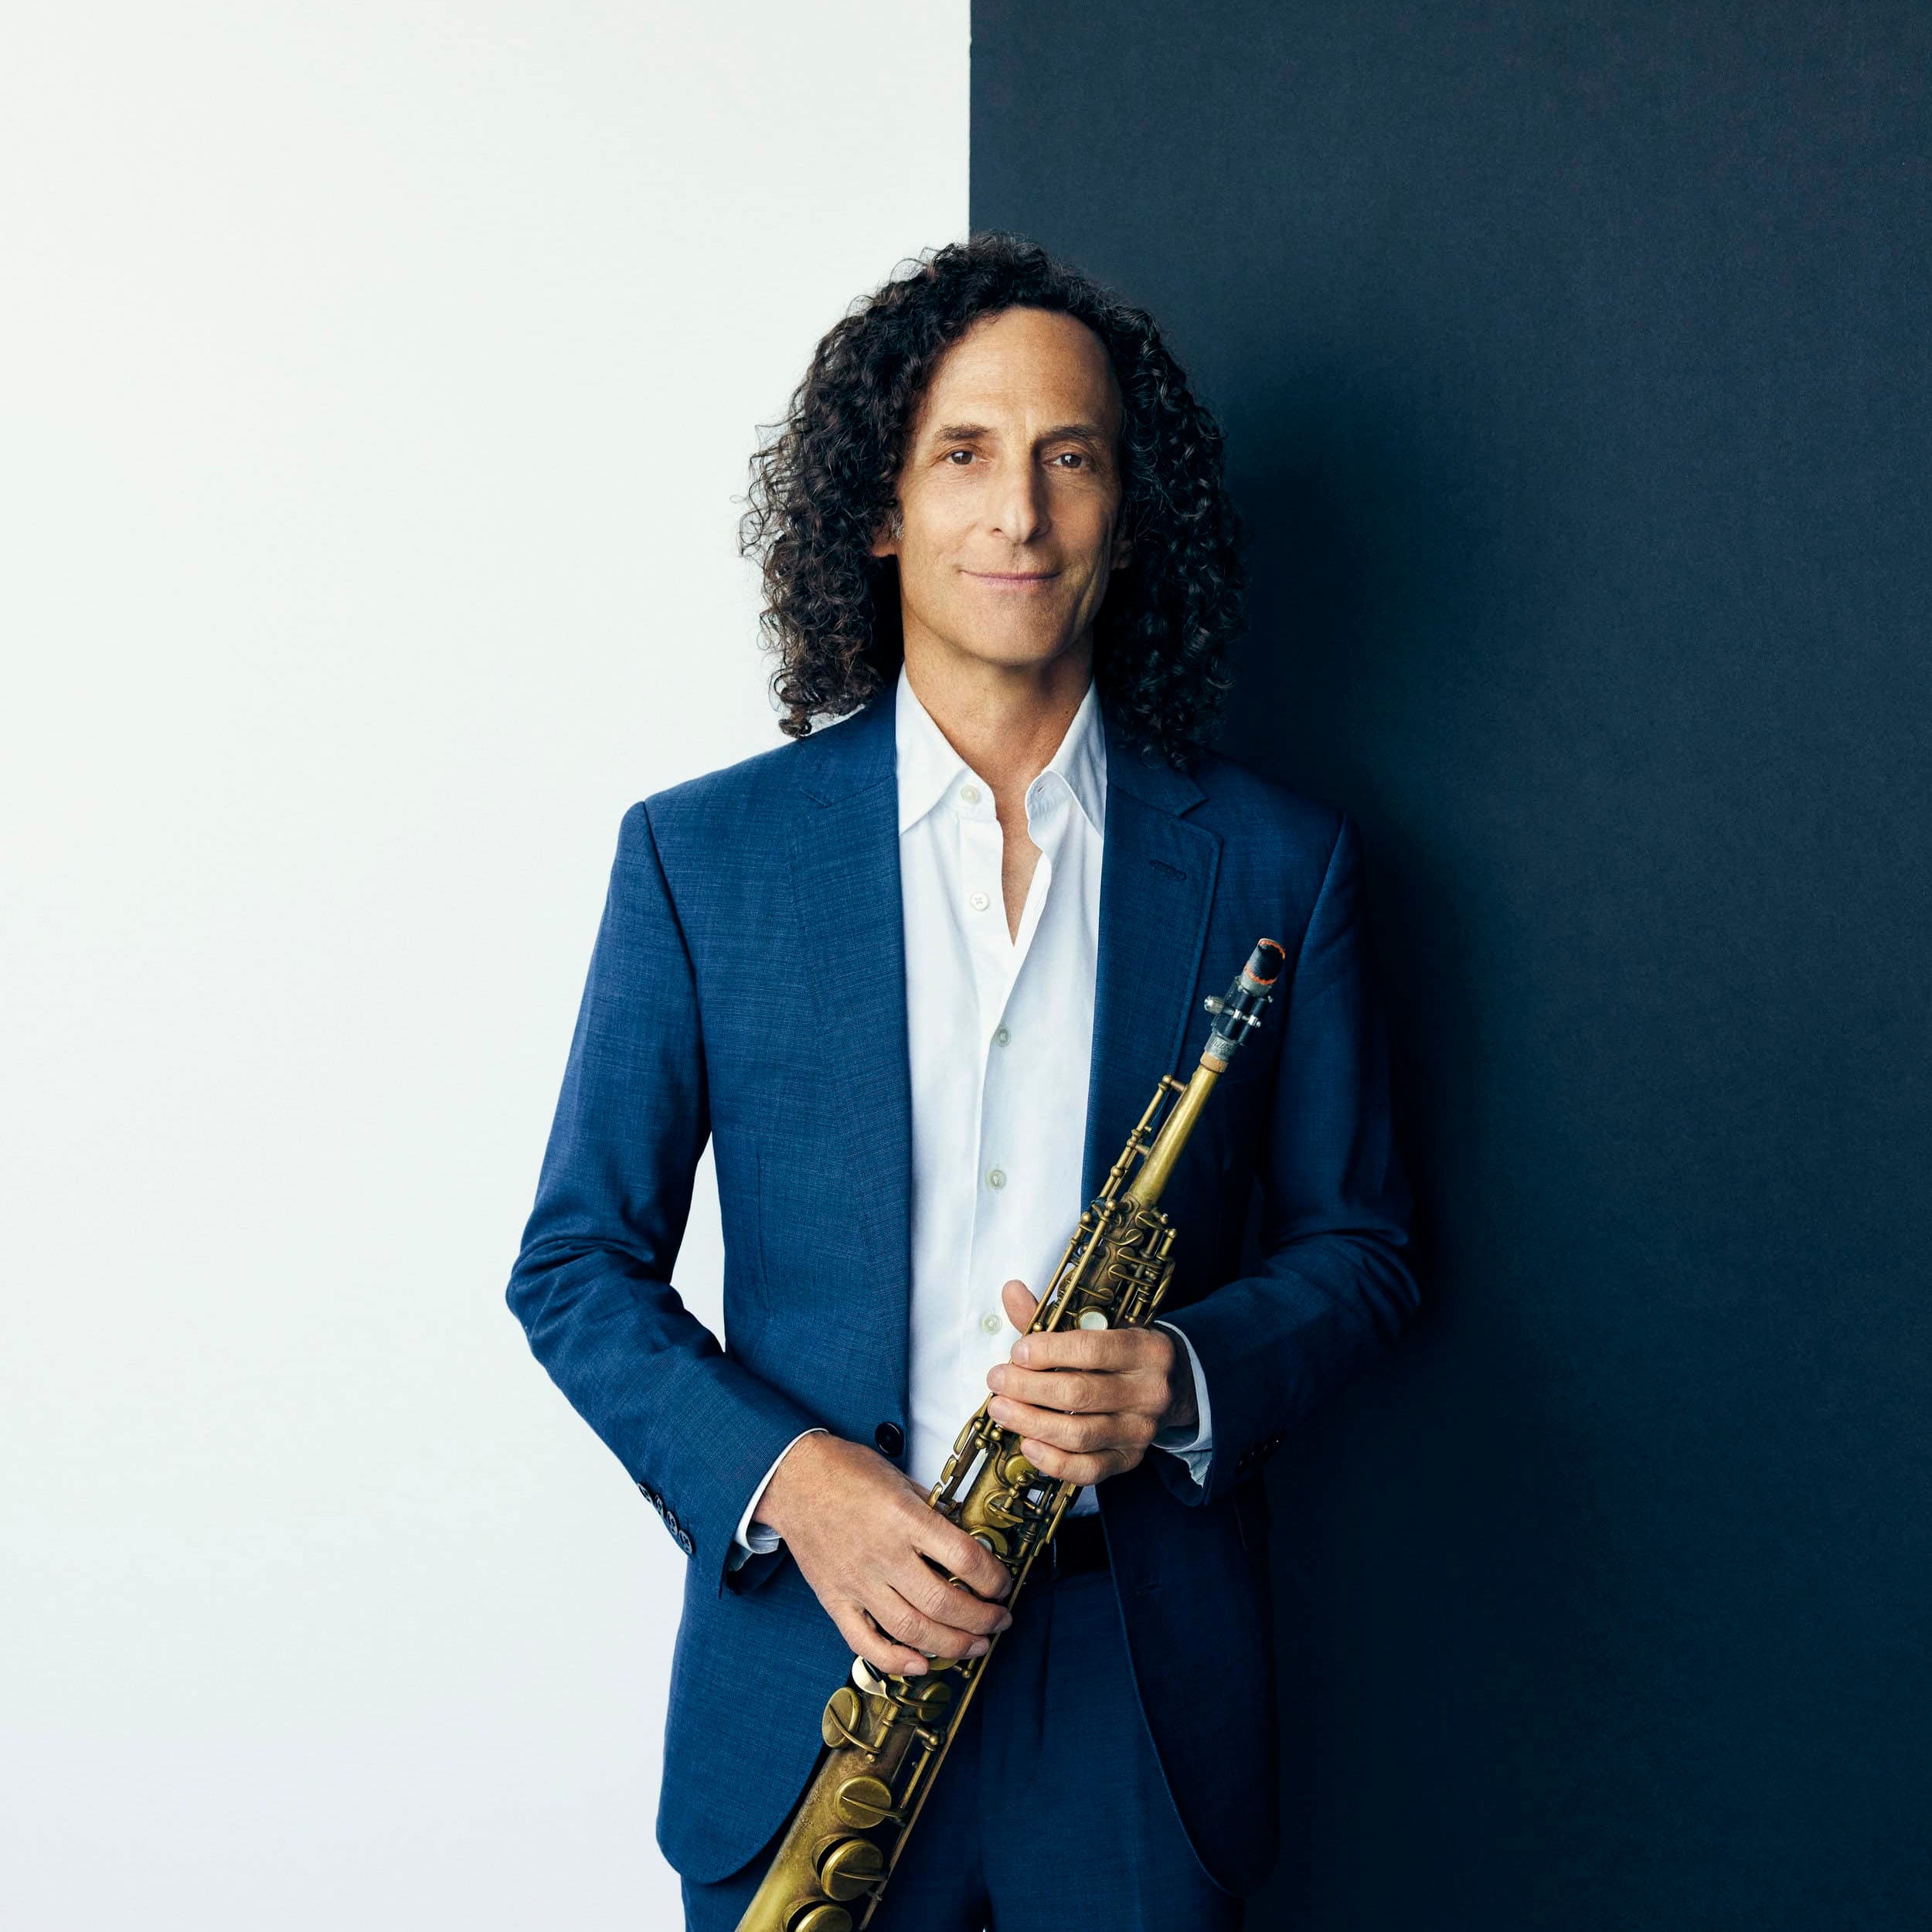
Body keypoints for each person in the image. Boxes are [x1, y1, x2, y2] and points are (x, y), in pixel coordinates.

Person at [505, 232, 1420, 1931]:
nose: (1019, 512)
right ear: (878, 508)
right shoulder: (702, 857)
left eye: (1069, 457)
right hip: (816, 1677)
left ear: (1125, 516)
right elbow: (572, 1267)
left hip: (1137, 1693)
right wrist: (791, 1483)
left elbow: (1362, 1250)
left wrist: (1184, 1373)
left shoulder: (1280, 865)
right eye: (963, 454)